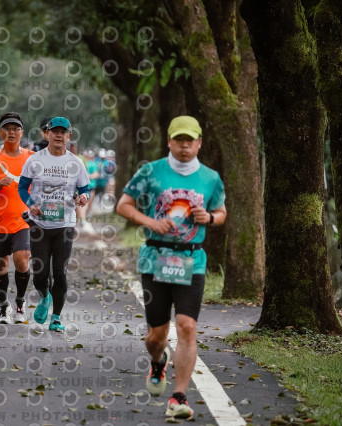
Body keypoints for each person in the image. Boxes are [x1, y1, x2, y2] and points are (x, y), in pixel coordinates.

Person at [115, 115, 226, 419]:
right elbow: (123, 205)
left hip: (192, 259)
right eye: (179, 139)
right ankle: (158, 360)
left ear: (199, 143)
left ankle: (179, 398)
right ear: (169, 141)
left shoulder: (210, 178)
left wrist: (210, 218)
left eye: (190, 140)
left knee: (187, 326)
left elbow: (221, 211)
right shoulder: (150, 171)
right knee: (156, 337)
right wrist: (151, 222)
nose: (184, 145)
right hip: (156, 258)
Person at [18, 117, 90, 332]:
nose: (59, 135)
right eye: (55, 131)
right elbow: (22, 187)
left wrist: (83, 197)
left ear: (69, 136)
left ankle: (56, 317)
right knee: (40, 274)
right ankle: (44, 296)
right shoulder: (35, 160)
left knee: (60, 272)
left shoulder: (76, 163)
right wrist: (31, 204)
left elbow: (85, 189)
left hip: (65, 224)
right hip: (39, 224)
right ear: (47, 134)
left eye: (63, 132)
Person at [0, 112, 32, 324]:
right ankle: (4, 306)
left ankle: (20, 302)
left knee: (22, 258)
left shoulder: (31, 158)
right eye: (7, 129)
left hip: (23, 220)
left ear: (21, 132)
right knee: (0, 265)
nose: (11, 132)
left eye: (15, 129)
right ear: (0, 133)